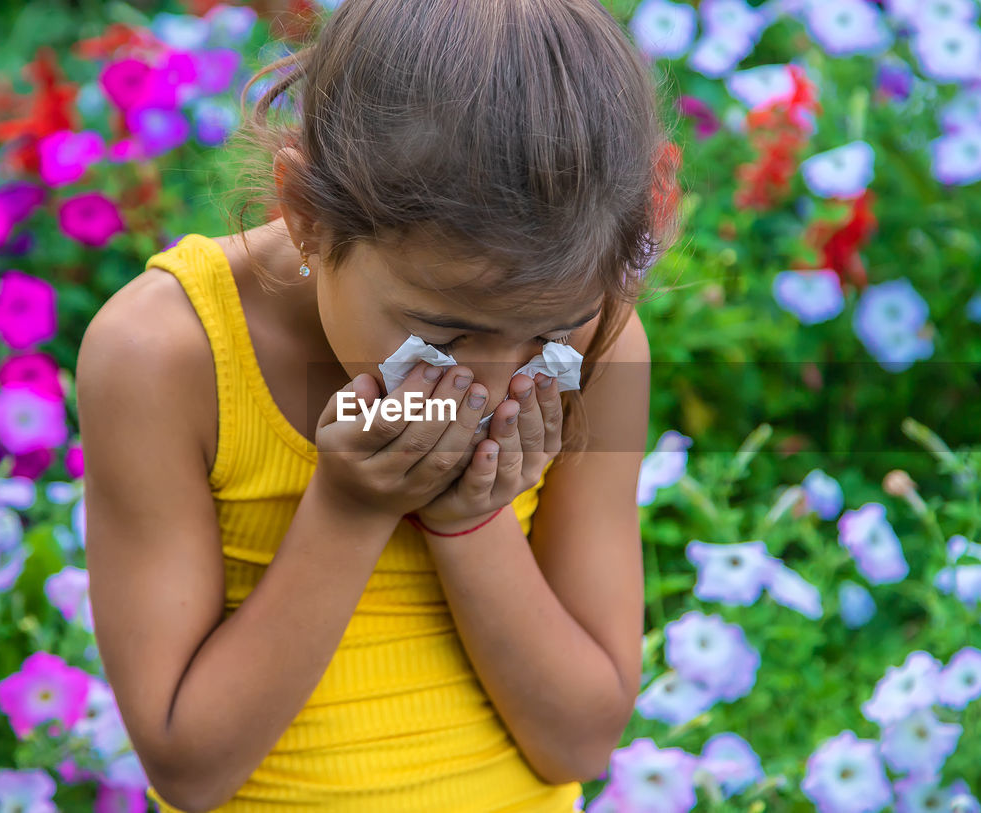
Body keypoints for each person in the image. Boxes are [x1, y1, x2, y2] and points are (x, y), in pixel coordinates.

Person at [75, 0, 679, 809]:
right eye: (443, 331)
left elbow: (578, 739)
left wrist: (468, 519)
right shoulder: (165, 354)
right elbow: (190, 768)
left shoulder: (602, 346)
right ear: (308, 215)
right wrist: (349, 506)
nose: (496, 386)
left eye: (546, 336)